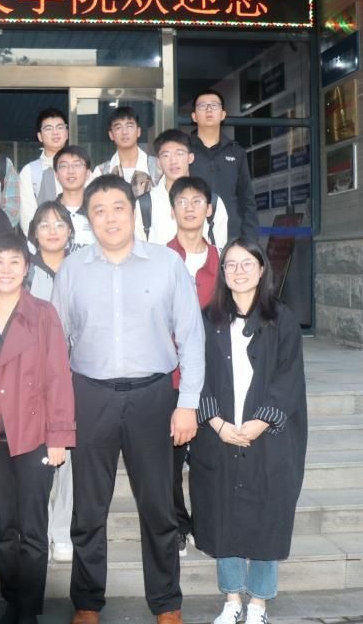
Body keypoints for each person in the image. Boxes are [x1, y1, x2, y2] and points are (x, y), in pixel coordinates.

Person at [51, 175, 205, 624]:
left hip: (154, 397)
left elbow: (191, 338)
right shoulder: (72, 269)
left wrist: (188, 403)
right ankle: (86, 603)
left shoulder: (166, 264)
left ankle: (167, 604)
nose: (110, 218)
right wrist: (60, 413)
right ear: (88, 219)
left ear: (133, 212)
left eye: (118, 208)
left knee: (158, 507)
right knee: (88, 509)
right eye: (99, 211)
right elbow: (56, 345)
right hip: (90, 395)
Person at [0, 232, 76, 624]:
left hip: (34, 435)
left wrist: (59, 436)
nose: (6, 270)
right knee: (4, 526)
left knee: (32, 527)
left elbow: (59, 377)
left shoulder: (43, 314)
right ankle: (13, 601)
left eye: (14, 262)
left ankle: (26, 611)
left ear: (27, 268)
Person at [191, 239, 307, 624]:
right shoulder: (207, 320)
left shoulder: (283, 320)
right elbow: (195, 375)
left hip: (269, 438)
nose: (238, 271)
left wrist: (259, 423)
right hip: (219, 435)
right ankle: (231, 600)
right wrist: (217, 423)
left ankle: (258, 604)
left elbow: (289, 378)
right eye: (230, 265)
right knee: (222, 515)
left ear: (261, 270)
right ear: (222, 273)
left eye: (246, 264)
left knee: (267, 518)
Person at [165, 176, 223, 557]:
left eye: (197, 200)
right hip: (170, 380)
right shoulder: (158, 260)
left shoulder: (225, 261)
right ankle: (177, 526)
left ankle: (210, 526)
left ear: (209, 209)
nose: (189, 207)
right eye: (182, 201)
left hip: (215, 378)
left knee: (210, 459)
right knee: (168, 464)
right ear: (172, 211)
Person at [25, 201, 76, 563]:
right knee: (37, 458)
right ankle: (38, 528)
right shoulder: (24, 271)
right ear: (34, 233)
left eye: (59, 224)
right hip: (32, 379)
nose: (53, 231)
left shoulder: (83, 268)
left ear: (70, 231)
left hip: (76, 375)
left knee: (69, 457)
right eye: (44, 225)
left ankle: (62, 532)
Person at [136, 129, 229, 249]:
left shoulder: (211, 201)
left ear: (190, 158)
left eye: (179, 154)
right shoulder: (145, 204)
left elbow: (220, 250)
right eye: (166, 155)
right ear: (158, 162)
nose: (173, 161)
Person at [189, 90, 259, 242]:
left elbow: (247, 200)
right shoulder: (184, 151)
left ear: (223, 114)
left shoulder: (237, 152)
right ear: (194, 116)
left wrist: (250, 241)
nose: (209, 109)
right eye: (202, 106)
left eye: (214, 105)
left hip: (231, 236)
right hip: (192, 234)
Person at [89, 107, 161, 197]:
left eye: (129, 126)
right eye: (118, 127)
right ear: (111, 135)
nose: (124, 132)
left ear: (138, 131)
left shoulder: (158, 167)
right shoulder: (101, 172)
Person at [18, 108, 69, 234]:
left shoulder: (81, 166)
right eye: (48, 128)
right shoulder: (29, 171)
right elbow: (27, 217)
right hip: (43, 241)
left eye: (60, 127)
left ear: (67, 133)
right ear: (40, 136)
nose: (55, 132)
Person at [53, 146, 95, 253]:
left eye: (77, 165)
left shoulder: (98, 211)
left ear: (88, 173)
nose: (71, 171)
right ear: (56, 175)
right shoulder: (46, 213)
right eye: (64, 166)